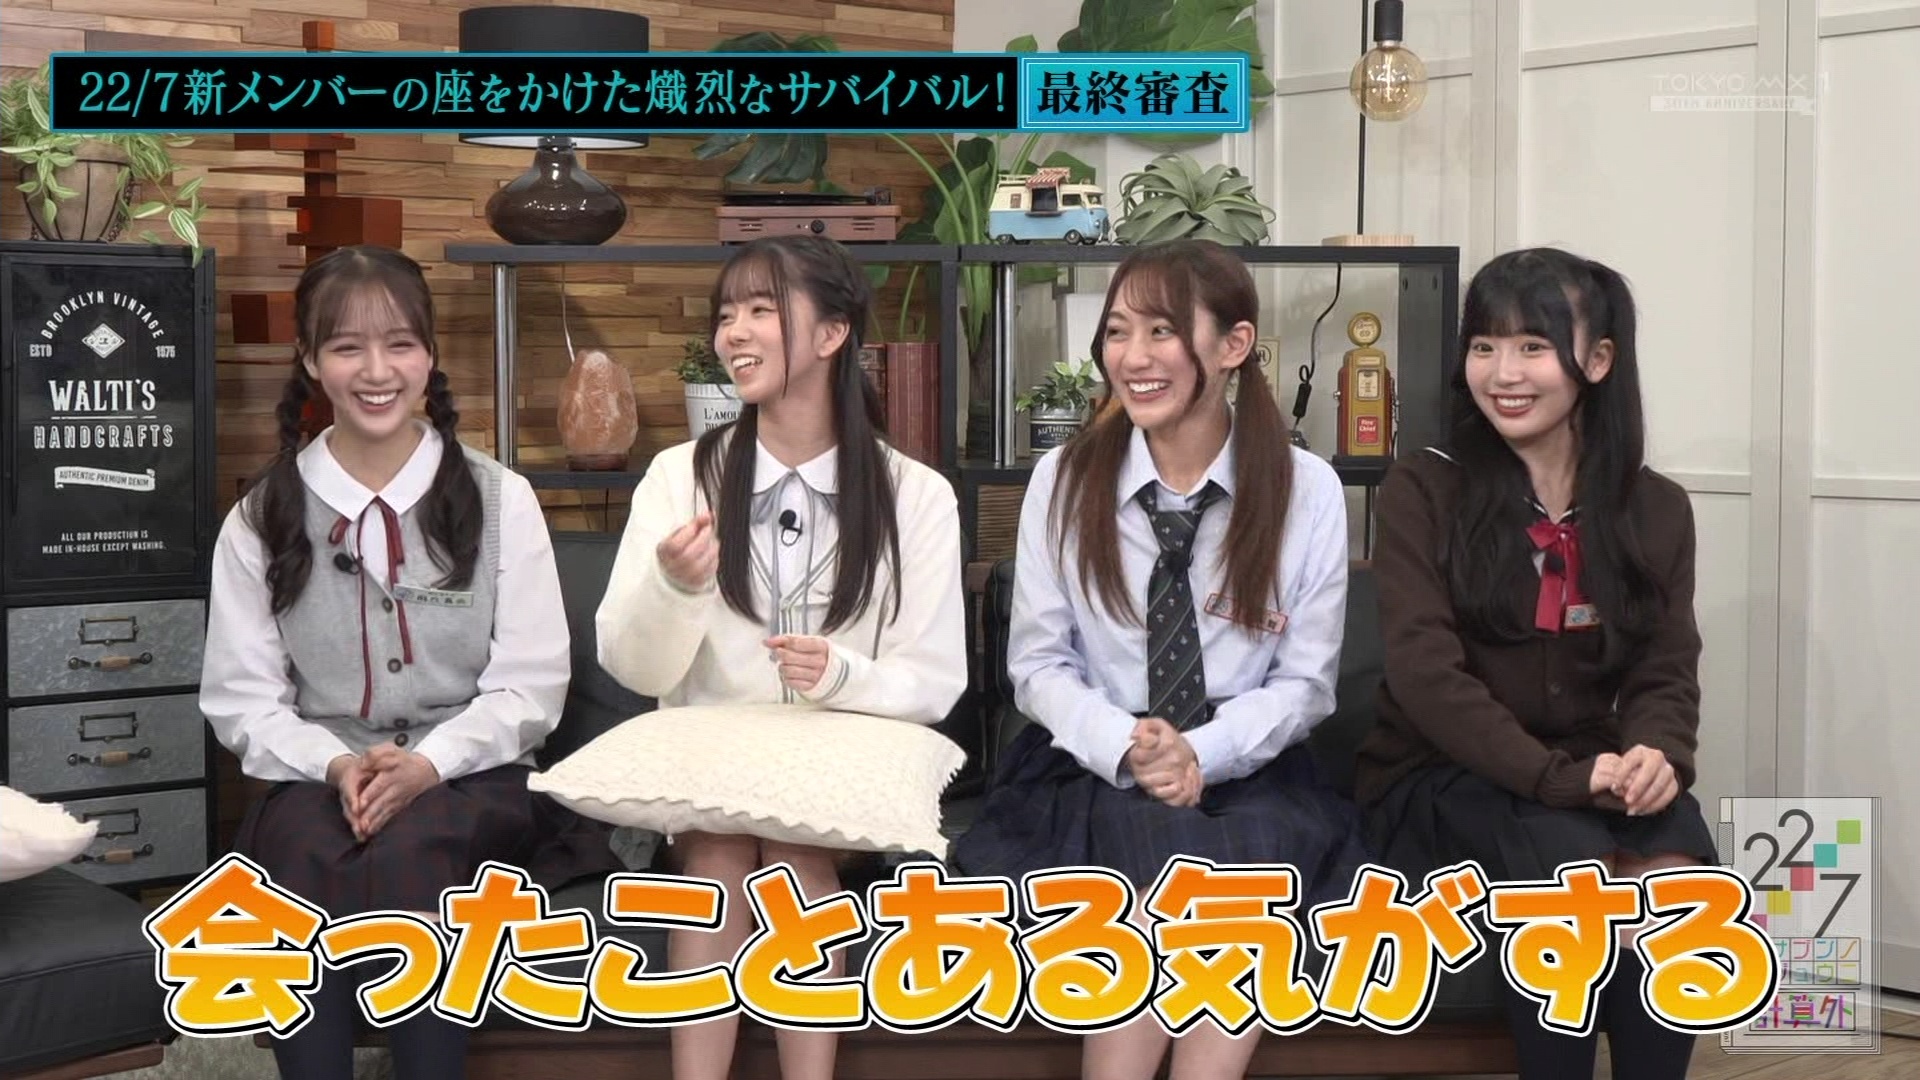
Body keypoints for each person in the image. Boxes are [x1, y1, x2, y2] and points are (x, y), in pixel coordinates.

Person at [199, 244, 622, 1080]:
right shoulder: (260, 515)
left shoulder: (499, 499)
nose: (376, 371)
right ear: (310, 359)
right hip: (317, 775)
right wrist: (337, 765)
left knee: (411, 852)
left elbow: (530, 686)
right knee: (303, 855)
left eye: (399, 344)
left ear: (429, 355)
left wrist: (428, 764)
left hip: (474, 776)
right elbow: (242, 701)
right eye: (346, 347)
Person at [952, 239, 1371, 1080]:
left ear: (1234, 345)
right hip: (1092, 761)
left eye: (1161, 331)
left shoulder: (1306, 489)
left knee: (1230, 878)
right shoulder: (1064, 479)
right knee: (1161, 867)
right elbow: (1037, 664)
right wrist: (1132, 747)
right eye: (1117, 332)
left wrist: (1200, 754)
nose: (1132, 357)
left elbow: (1304, 684)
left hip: (1251, 765)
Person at [593, 234, 968, 1080]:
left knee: (796, 850)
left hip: (845, 770)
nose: (734, 333)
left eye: (762, 310)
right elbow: (633, 667)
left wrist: (843, 676)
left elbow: (936, 679)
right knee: (722, 854)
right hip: (709, 772)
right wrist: (674, 587)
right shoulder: (678, 477)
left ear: (832, 333)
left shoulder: (915, 495)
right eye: (727, 314)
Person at [1353, 246, 1714, 1079]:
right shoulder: (1425, 489)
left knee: (1676, 875)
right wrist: (1556, 779)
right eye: (1484, 346)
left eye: (1532, 347)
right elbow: (1426, 677)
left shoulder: (1654, 507)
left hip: (1590, 765)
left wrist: (1657, 754)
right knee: (1568, 866)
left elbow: (1666, 666)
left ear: (1598, 359)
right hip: (1439, 775)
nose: (1503, 373)